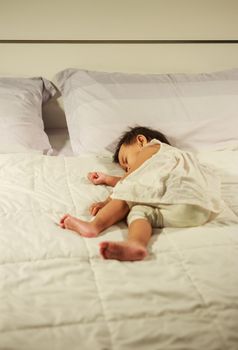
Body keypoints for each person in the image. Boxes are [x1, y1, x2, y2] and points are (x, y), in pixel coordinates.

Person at [60, 126, 221, 261]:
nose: (127, 169)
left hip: (181, 195)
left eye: (125, 161)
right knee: (139, 211)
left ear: (141, 141)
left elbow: (132, 178)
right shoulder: (173, 164)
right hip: (199, 210)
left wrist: (107, 201)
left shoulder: (153, 147)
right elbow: (144, 177)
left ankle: (94, 226)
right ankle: (136, 244)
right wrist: (108, 179)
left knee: (131, 190)